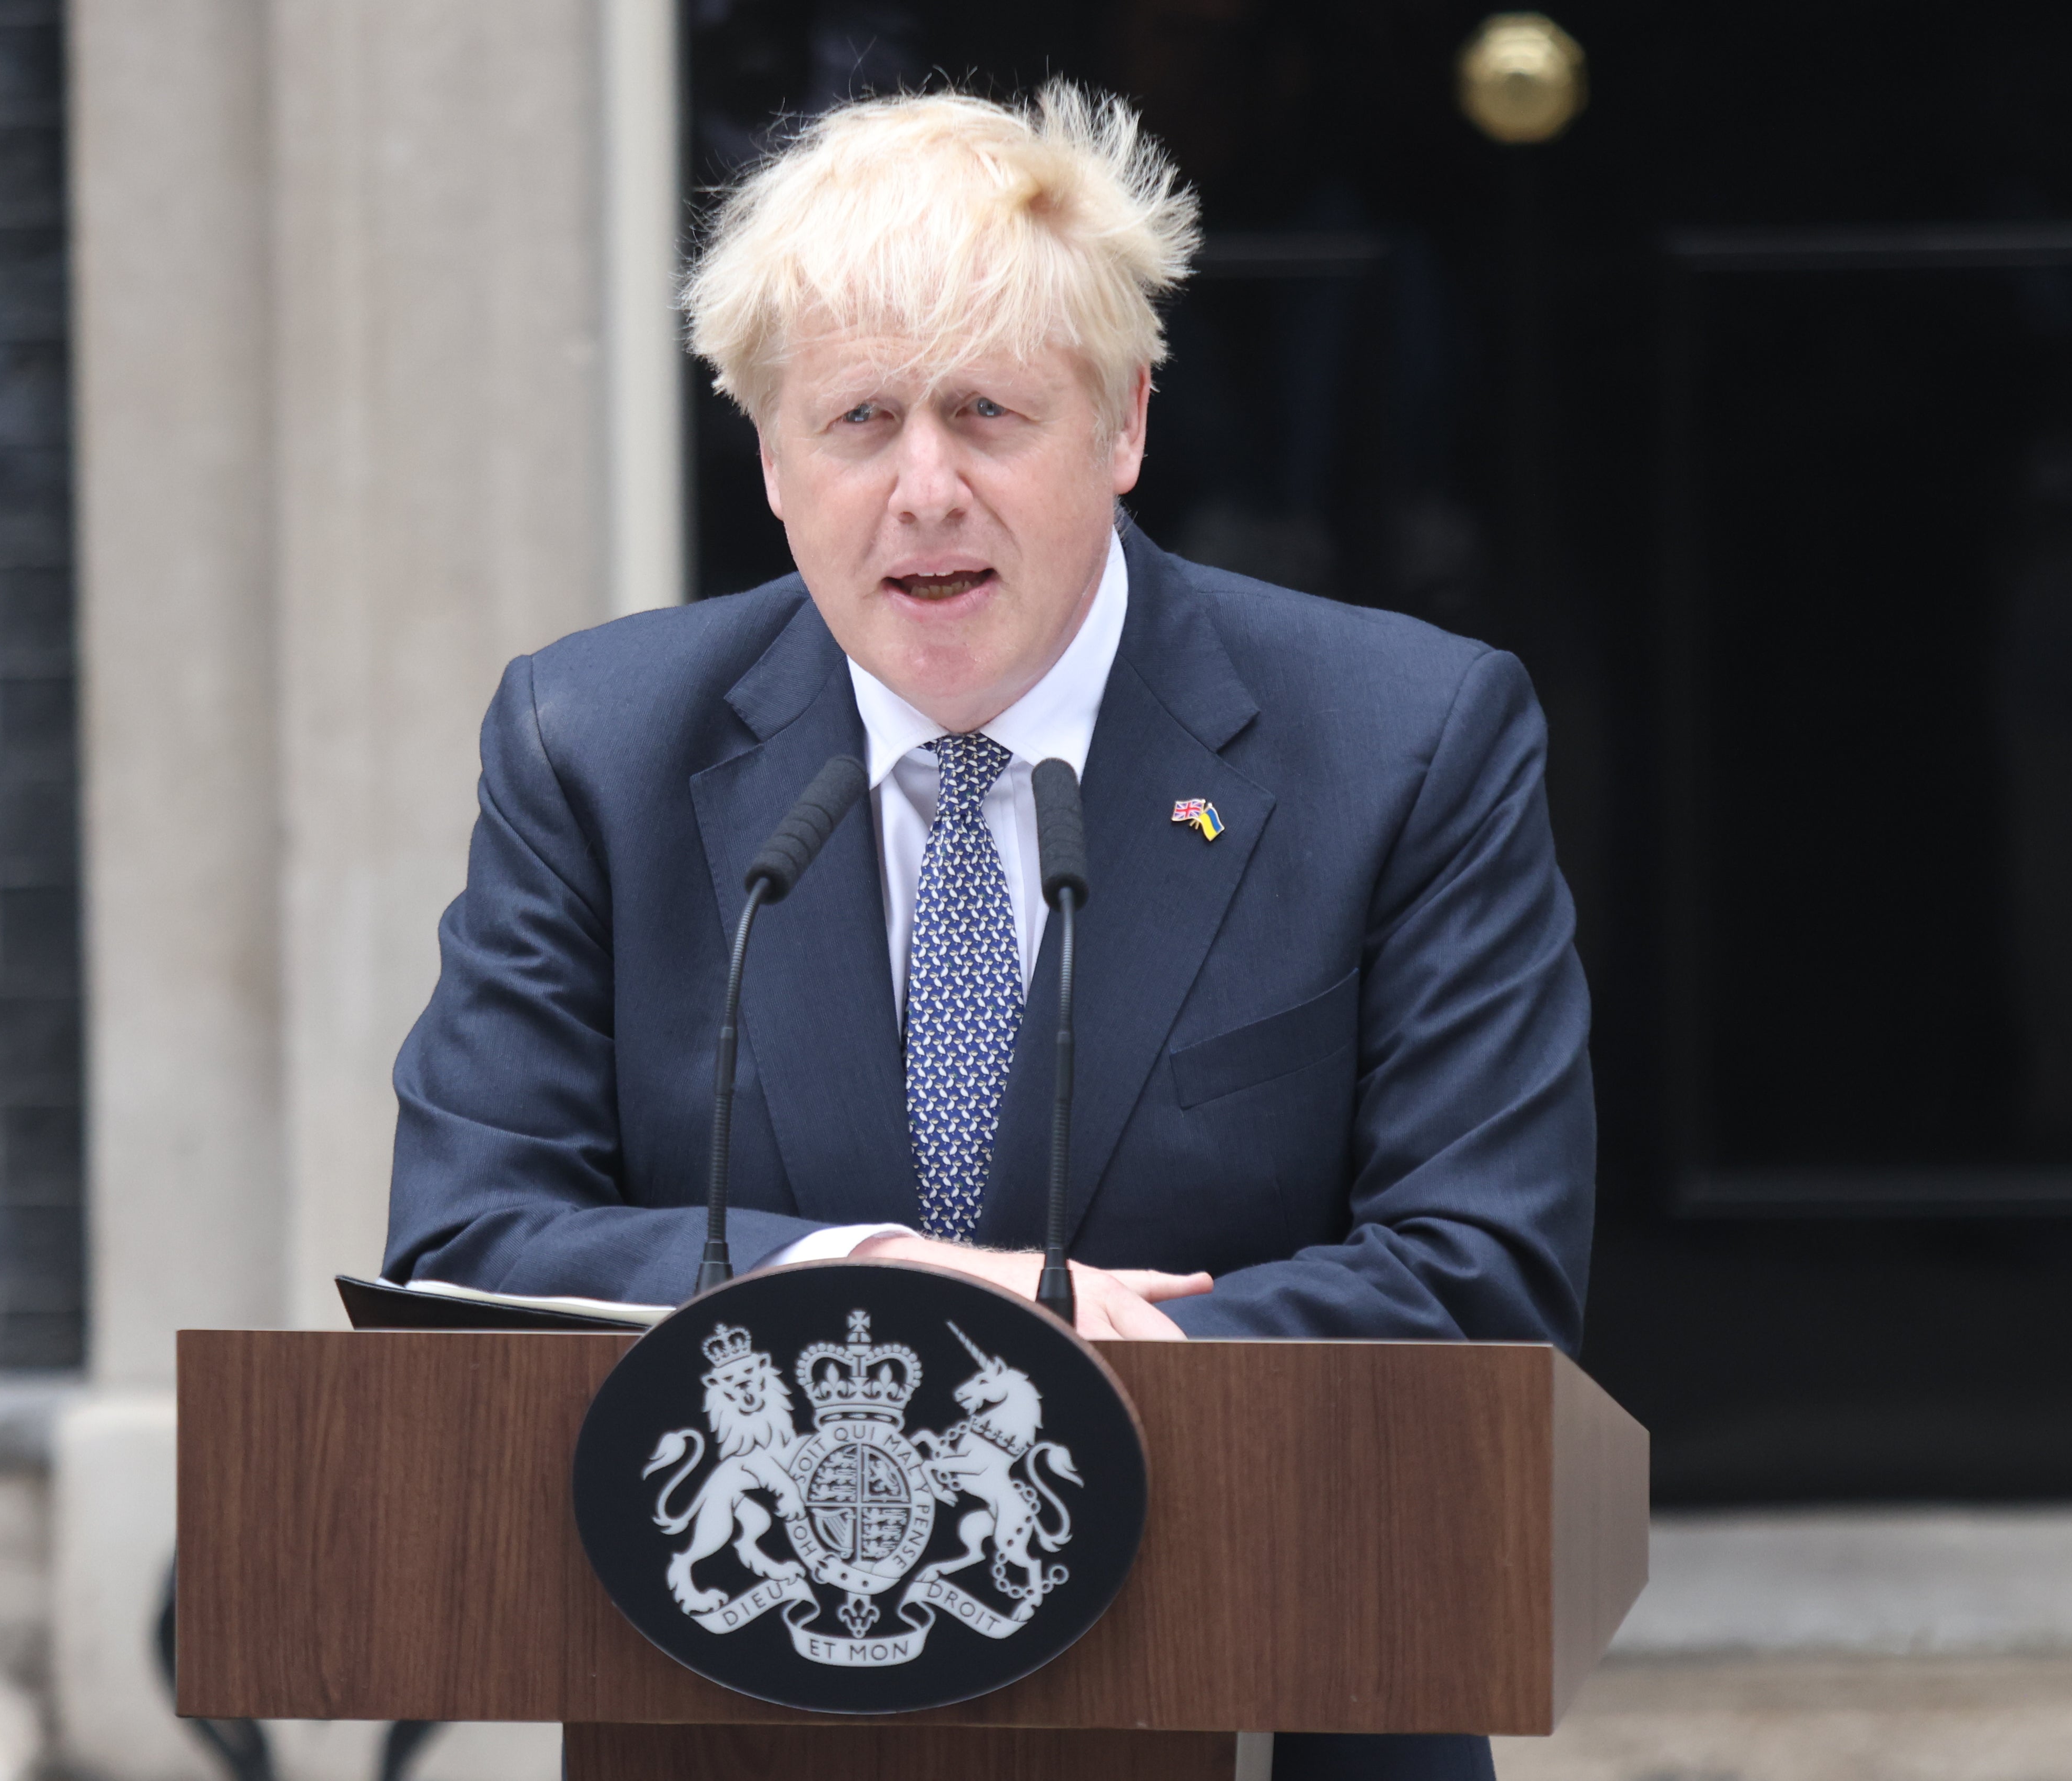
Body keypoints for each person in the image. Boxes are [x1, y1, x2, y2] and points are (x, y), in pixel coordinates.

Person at [384, 85, 1590, 1781]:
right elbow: (466, 1245)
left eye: (987, 412)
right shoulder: (595, 745)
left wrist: (1082, 1352)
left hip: (1274, 1710)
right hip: (739, 1727)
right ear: (770, 455)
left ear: (1123, 426)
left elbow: (1483, 1276)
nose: (924, 490)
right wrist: (862, 1284)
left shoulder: (1403, 739)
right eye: (860, 418)